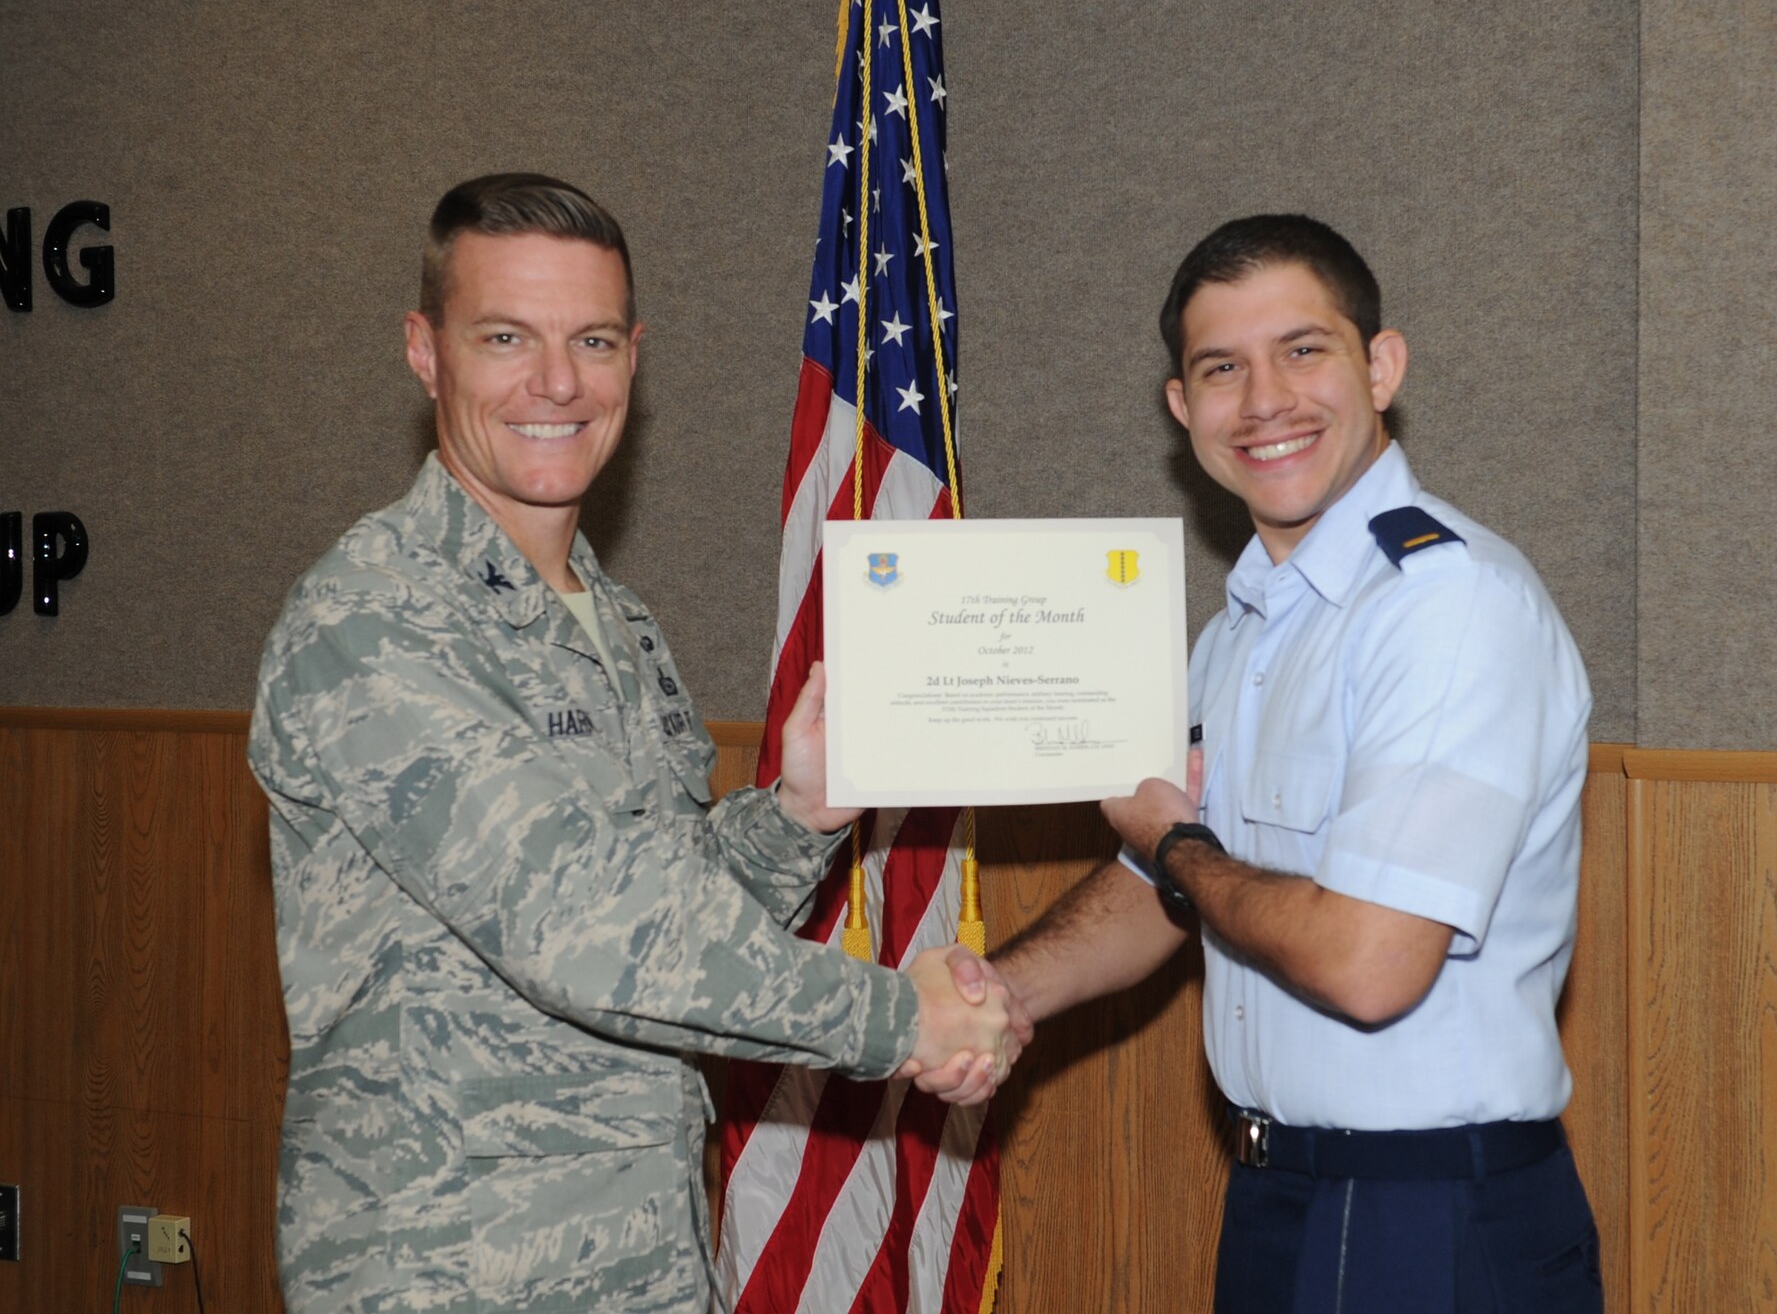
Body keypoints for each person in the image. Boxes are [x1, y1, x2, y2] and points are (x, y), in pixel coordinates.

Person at [247, 173, 1021, 1314]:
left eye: (593, 340)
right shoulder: (371, 620)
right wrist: (900, 1018)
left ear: (634, 358)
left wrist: (793, 814)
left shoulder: (616, 622)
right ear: (425, 351)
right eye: (505, 336)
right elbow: (581, 924)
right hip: (445, 1270)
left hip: (637, 1260)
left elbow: (668, 898)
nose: (555, 382)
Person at [984, 215, 1602, 1311]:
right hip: (1280, 1193)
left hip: (1431, 1222)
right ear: (1181, 409)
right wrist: (991, 997)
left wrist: (1173, 842)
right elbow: (1169, 889)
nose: (1263, 399)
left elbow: (1366, 961)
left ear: (1381, 365)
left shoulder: (1444, 608)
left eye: (1302, 350)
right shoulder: (1239, 633)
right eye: (1221, 367)